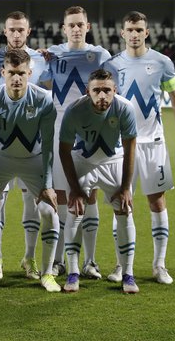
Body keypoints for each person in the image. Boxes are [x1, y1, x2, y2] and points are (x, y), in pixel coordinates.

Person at [103, 11, 175, 285]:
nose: (134, 34)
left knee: (157, 202)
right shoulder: (112, 64)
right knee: (122, 204)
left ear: (147, 32)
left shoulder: (162, 62)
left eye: (139, 30)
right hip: (121, 145)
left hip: (153, 144)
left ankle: (159, 264)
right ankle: (120, 265)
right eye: (129, 29)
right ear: (122, 32)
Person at [0, 11, 51, 281]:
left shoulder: (41, 59)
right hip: (0, 142)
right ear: (4, 31)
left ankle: (29, 259)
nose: (16, 34)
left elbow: (51, 90)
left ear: (28, 32)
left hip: (32, 142)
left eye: (21, 30)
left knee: (32, 203)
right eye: (11, 30)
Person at [45, 6, 112, 279]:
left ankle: (90, 261)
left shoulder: (100, 56)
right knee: (62, 195)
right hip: (59, 131)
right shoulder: (53, 54)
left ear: (88, 26)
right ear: (63, 28)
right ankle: (60, 260)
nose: (75, 29)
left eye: (79, 24)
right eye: (70, 25)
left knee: (90, 194)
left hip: (90, 133)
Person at [59, 68, 138, 294]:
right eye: (96, 91)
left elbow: (131, 147)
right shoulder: (74, 111)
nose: (102, 95)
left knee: (125, 211)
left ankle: (128, 274)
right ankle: (73, 272)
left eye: (106, 90)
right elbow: (64, 150)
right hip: (83, 161)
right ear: (87, 91)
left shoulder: (124, 108)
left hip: (113, 161)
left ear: (115, 90)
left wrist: (125, 188)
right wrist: (74, 188)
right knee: (74, 212)